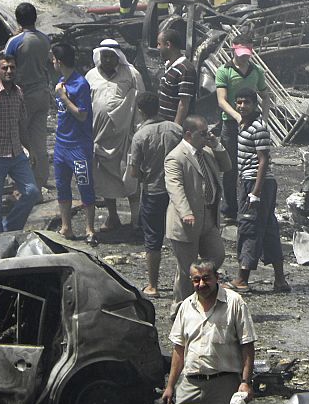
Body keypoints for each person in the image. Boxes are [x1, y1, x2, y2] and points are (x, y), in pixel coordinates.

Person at [161, 259, 255, 404]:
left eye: (206, 278)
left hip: (223, 385)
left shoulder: (234, 302)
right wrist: (170, 386)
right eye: (196, 280)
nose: (201, 284)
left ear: (217, 277)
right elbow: (179, 349)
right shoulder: (186, 306)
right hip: (189, 385)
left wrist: (245, 383)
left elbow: (247, 345)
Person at [165, 115, 230, 308]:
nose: (207, 136)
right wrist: (186, 212)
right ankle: (180, 308)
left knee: (216, 256)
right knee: (187, 271)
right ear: (188, 134)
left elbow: (227, 166)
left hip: (208, 218)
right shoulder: (176, 157)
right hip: (186, 223)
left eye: (208, 132)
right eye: (203, 134)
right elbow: (175, 188)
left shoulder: (207, 152)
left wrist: (216, 144)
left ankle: (201, 300)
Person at [231, 89, 289, 292]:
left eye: (246, 102)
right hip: (251, 181)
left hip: (257, 182)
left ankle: (242, 278)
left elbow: (264, 160)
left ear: (255, 105)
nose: (241, 106)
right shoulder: (242, 126)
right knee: (268, 228)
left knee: (249, 226)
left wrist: (255, 192)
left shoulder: (258, 128)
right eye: (238, 102)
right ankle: (280, 280)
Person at [87, 39, 144, 231]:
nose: (108, 59)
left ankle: (136, 220)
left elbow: (140, 101)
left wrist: (140, 129)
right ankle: (112, 217)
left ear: (119, 56)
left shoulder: (132, 74)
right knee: (104, 181)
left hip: (125, 136)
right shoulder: (91, 76)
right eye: (105, 56)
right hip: (100, 138)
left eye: (112, 56)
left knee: (130, 178)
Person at [129, 91, 182, 296]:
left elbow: (134, 172)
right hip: (177, 191)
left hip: (153, 191)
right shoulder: (175, 129)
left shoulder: (140, 135)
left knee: (153, 239)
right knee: (180, 238)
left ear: (141, 111)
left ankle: (153, 285)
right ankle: (184, 282)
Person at [215, 35, 269, 223]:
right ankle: (229, 209)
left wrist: (265, 118)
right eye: (241, 54)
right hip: (231, 124)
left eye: (247, 54)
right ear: (233, 50)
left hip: (253, 124)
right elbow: (221, 100)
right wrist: (238, 117)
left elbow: (265, 93)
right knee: (230, 169)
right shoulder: (224, 71)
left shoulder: (257, 71)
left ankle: (249, 204)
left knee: (253, 166)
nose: (244, 58)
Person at [51, 43, 97, 245]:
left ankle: (90, 228)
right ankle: (66, 226)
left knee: (84, 185)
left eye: (53, 59)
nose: (52, 62)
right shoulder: (62, 81)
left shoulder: (80, 84)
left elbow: (82, 114)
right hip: (61, 144)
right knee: (62, 186)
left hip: (78, 146)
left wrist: (63, 98)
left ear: (59, 62)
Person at [4, 2, 52, 194]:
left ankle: (21, 187)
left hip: (24, 96)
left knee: (17, 140)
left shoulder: (15, 42)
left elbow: (7, 66)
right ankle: (38, 185)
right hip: (42, 92)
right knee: (38, 142)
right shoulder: (44, 39)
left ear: (18, 19)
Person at [0, 55, 39, 233]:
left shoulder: (18, 92)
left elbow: (21, 124)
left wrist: (30, 149)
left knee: (32, 192)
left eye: (12, 67)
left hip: (16, 153)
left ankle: (10, 228)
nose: (9, 71)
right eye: (5, 68)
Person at [157, 29, 196, 125]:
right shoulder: (169, 65)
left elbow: (184, 104)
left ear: (168, 45)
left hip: (172, 127)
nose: (157, 47)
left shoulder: (185, 69)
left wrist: (175, 127)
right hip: (164, 124)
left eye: (159, 44)